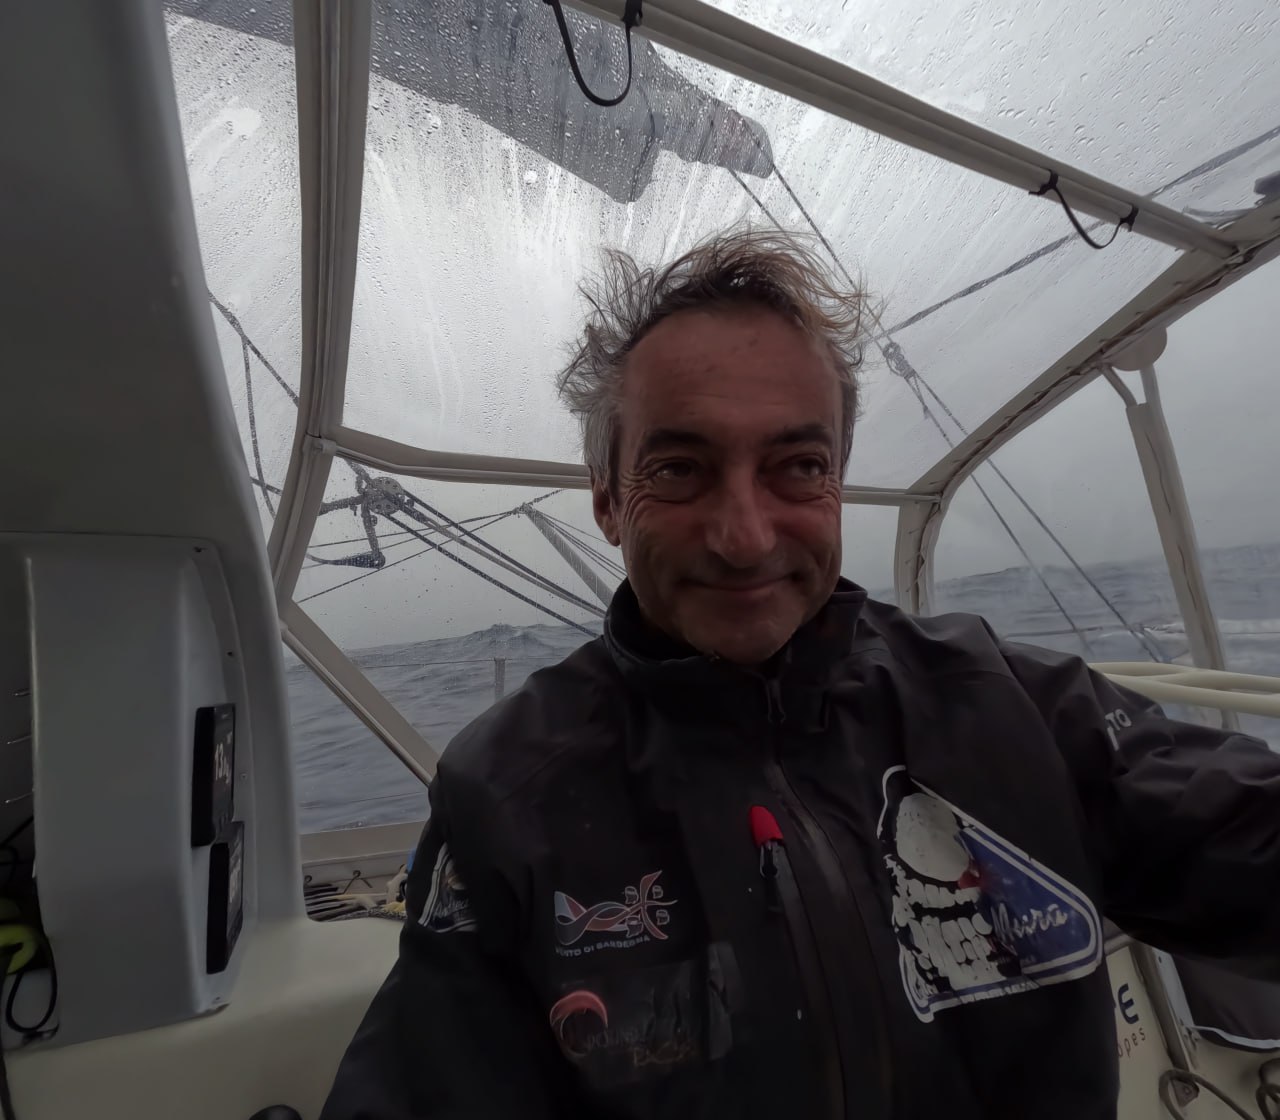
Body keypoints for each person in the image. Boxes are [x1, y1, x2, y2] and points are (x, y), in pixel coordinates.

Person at [320, 230, 1280, 1120]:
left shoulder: (1010, 707)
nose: (744, 537)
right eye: (681, 469)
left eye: (797, 466)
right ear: (609, 500)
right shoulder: (509, 794)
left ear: (838, 482)